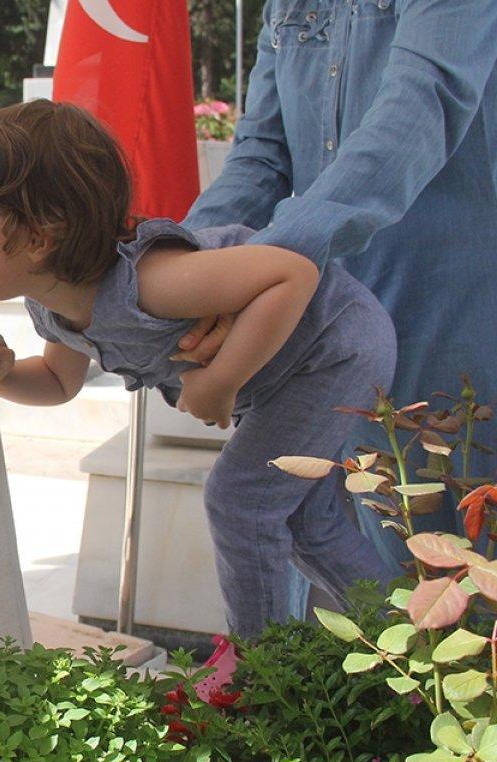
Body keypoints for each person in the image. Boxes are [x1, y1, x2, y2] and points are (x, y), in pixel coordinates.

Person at [0, 99, 396, 638]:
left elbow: (290, 274)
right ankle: (427, 649)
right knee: (304, 522)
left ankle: (264, 684)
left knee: (242, 500)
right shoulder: (54, 306)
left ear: (39, 238)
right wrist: (4, 373)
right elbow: (60, 382)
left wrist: (220, 381)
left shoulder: (150, 282)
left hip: (333, 346)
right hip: (292, 372)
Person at [179, 0, 497, 581]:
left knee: (458, 587)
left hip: (453, 322)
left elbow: (423, 100)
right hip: (329, 332)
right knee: (341, 585)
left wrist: (256, 270)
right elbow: (261, 155)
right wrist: (175, 268)